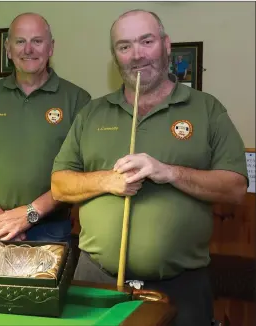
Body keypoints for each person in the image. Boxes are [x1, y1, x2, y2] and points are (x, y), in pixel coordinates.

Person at [51, 9, 248, 326]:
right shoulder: (93, 113)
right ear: (115, 56)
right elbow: (60, 185)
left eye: (146, 41)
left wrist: (168, 172)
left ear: (167, 45)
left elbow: (236, 188)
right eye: (124, 46)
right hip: (95, 279)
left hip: (181, 287)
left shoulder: (206, 109)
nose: (136, 55)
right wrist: (107, 181)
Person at [0, 12, 91, 266]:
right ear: (8, 49)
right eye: (20, 42)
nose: (28, 49)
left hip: (51, 232)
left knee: (42, 306)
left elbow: (81, 174)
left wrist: (28, 214)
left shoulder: (77, 100)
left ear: (51, 47)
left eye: (37, 41)